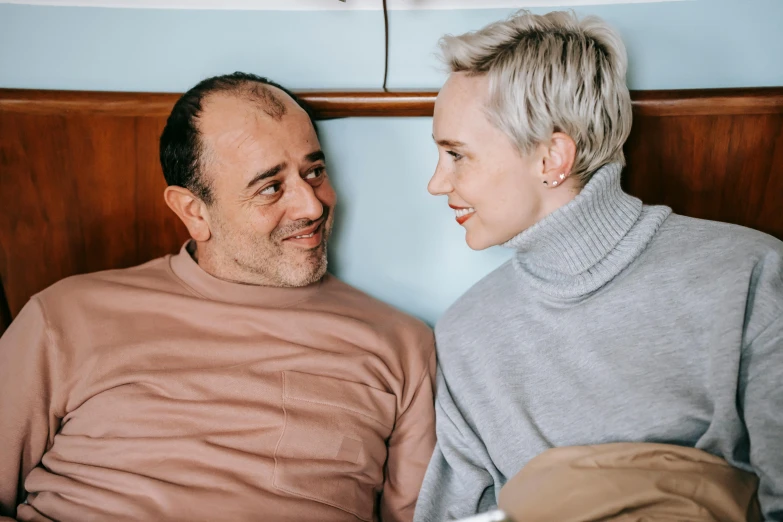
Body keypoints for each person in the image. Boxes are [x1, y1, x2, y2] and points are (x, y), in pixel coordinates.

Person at [0, 72, 436, 522]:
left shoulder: (401, 346)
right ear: (194, 212)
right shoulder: (64, 316)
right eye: (271, 187)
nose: (312, 205)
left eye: (315, 172)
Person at [414, 10, 783, 522]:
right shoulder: (464, 336)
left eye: (456, 154)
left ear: (551, 158)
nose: (437, 182)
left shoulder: (752, 276)